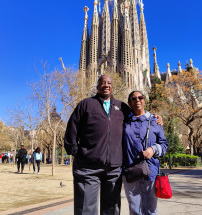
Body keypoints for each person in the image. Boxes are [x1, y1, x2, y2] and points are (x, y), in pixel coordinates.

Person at [64, 75, 163, 215]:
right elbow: (72, 128)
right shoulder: (86, 104)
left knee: (111, 209)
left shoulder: (121, 106)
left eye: (109, 83)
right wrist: (75, 151)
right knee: (86, 208)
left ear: (113, 86)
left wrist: (155, 117)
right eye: (102, 82)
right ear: (97, 86)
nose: (106, 85)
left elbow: (138, 117)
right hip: (88, 167)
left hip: (114, 169)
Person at [122, 91, 168, 215]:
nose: (137, 100)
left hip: (150, 171)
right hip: (130, 172)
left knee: (150, 210)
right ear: (129, 103)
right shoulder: (124, 121)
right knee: (134, 210)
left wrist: (153, 150)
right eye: (133, 98)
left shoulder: (154, 120)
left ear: (144, 100)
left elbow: (164, 145)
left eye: (140, 97)